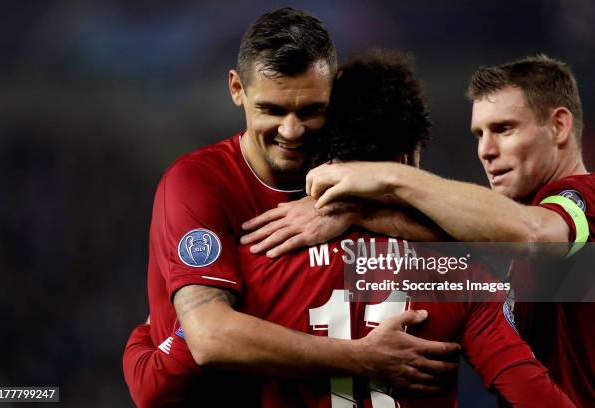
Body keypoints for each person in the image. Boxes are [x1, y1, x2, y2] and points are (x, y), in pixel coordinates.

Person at [125, 49, 575, 407]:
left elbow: (153, 386)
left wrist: (147, 331)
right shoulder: (465, 273)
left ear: (329, 157)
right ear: (406, 159)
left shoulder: (258, 261)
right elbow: (536, 395)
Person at [122, 8, 460, 407]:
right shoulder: (198, 182)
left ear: (333, 93)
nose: (292, 130)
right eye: (273, 110)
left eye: (310, 110)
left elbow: (487, 244)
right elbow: (210, 336)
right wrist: (363, 357)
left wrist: (360, 212)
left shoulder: (353, 172)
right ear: (236, 89)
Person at [248, 54, 593, 406]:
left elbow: (533, 234)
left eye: (504, 129)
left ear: (559, 126)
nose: (485, 151)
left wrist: (390, 178)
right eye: (478, 134)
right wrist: (360, 210)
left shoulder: (584, 200)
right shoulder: (465, 272)